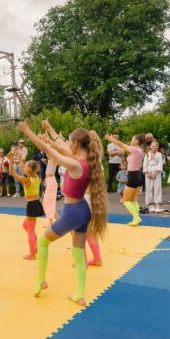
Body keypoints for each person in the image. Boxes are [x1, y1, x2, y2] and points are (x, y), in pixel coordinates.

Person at [21, 120, 107, 306]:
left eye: (70, 141)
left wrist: (27, 131)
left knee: (42, 242)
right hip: (83, 211)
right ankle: (80, 295)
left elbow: (50, 150)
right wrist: (50, 129)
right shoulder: (86, 161)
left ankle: (41, 280)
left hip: (72, 213)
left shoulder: (76, 164)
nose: (67, 144)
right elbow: (59, 145)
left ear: (76, 144)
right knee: (78, 254)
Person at [7, 148, 44, 260]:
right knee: (25, 226)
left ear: (29, 169)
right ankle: (36, 244)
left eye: (26, 166)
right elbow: (22, 167)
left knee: (30, 231)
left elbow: (11, 172)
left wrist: (10, 160)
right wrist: (19, 157)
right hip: (36, 203)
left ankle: (32, 254)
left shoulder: (27, 180)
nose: (24, 167)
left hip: (32, 205)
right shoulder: (35, 176)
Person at [106, 134, 145, 225]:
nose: (131, 141)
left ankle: (136, 218)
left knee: (125, 200)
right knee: (134, 200)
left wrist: (110, 138)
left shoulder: (135, 150)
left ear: (136, 141)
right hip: (138, 175)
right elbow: (123, 149)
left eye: (132, 139)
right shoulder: (139, 150)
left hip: (133, 175)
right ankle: (136, 218)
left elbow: (120, 144)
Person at [143, 141, 164, 212]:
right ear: (150, 147)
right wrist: (147, 173)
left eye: (156, 146)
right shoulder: (147, 155)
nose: (154, 147)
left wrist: (155, 173)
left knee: (157, 187)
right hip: (148, 170)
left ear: (158, 147)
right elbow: (145, 164)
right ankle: (150, 202)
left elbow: (160, 164)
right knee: (149, 187)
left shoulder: (159, 155)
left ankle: (157, 201)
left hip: (156, 171)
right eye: (153, 146)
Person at [43, 157, 59, 224]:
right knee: (47, 203)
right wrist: (46, 181)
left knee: (49, 203)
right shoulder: (50, 159)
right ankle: (54, 222)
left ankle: (53, 223)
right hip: (49, 181)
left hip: (51, 182)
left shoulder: (54, 159)